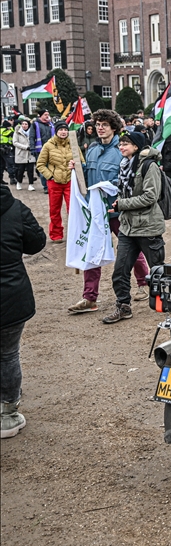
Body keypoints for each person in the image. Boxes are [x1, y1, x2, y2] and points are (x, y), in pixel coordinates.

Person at [67, 110, 150, 314]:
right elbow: (86, 176)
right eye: (97, 124)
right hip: (95, 212)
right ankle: (89, 298)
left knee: (130, 247)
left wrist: (110, 189)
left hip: (115, 210)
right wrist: (76, 169)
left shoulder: (120, 150)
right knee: (92, 251)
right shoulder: (93, 149)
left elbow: (124, 179)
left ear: (114, 127)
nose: (100, 127)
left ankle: (143, 283)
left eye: (104, 124)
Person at [103, 131, 166, 325]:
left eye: (125, 144)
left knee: (157, 271)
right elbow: (126, 192)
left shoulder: (149, 166)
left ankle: (166, 302)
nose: (121, 147)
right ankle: (123, 306)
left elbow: (150, 197)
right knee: (120, 270)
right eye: (120, 144)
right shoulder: (125, 166)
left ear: (136, 146)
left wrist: (122, 204)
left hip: (148, 227)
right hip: (128, 228)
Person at [0, 182, 47, 438]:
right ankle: (7, 414)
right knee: (7, 354)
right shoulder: (15, 208)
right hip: (11, 295)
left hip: (11, 295)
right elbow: (36, 242)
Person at [35, 120, 74, 241]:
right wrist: (50, 176)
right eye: (61, 130)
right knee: (55, 210)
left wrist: (76, 166)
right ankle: (56, 234)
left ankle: (75, 234)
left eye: (65, 129)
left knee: (73, 210)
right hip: (54, 183)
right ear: (56, 131)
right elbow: (40, 164)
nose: (63, 132)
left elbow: (81, 161)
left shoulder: (73, 144)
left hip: (69, 181)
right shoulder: (48, 145)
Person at [30, 110, 55, 194]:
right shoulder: (35, 125)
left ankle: (51, 185)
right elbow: (32, 137)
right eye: (45, 115)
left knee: (51, 168)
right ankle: (45, 187)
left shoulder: (51, 124)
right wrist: (32, 148)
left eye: (48, 114)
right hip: (40, 150)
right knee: (43, 168)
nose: (47, 116)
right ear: (40, 116)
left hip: (51, 150)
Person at [12, 119, 36, 191]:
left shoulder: (32, 132)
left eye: (26, 124)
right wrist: (26, 147)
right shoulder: (17, 132)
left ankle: (31, 185)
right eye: (23, 124)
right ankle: (19, 183)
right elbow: (15, 142)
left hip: (30, 154)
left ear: (29, 125)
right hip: (21, 153)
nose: (24, 126)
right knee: (20, 170)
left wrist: (32, 147)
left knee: (30, 171)